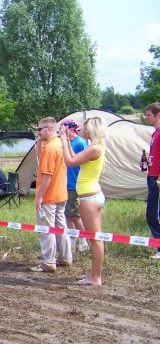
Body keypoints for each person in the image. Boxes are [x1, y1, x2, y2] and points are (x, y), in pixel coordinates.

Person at [60, 117, 107, 286]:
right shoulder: (95, 148)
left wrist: (64, 142)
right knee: (95, 238)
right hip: (91, 194)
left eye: (86, 129)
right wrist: (67, 143)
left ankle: (96, 277)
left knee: (95, 239)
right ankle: (94, 274)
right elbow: (75, 157)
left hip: (89, 197)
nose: (83, 131)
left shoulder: (94, 149)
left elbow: (69, 161)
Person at [31, 117, 73, 273]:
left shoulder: (50, 148)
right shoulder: (58, 145)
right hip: (61, 194)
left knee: (46, 229)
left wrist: (40, 196)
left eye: (40, 130)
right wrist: (39, 139)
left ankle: (48, 262)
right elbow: (38, 155)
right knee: (61, 228)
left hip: (49, 196)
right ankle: (65, 257)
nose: (38, 132)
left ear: (49, 128)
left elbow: (47, 175)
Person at [61, 120, 89, 252]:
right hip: (66, 184)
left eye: (63, 129)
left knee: (75, 215)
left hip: (76, 184)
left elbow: (86, 163)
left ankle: (83, 240)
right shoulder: (66, 144)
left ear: (71, 129)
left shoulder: (80, 143)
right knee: (67, 215)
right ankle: (72, 241)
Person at [144, 102, 160, 259]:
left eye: (149, 114)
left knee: (153, 213)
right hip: (151, 175)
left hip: (157, 178)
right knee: (152, 212)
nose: (146, 117)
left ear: (158, 115)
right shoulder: (154, 133)